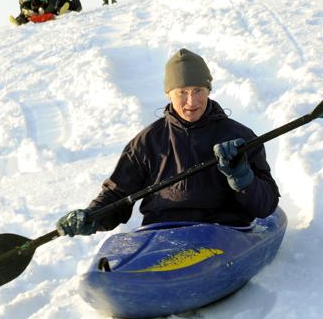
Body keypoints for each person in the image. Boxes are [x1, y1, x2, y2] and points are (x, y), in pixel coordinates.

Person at [55, 48, 281, 236]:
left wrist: (242, 178)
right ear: (168, 94)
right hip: (162, 234)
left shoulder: (238, 136)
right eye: (182, 92)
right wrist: (91, 216)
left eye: (198, 90)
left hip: (224, 231)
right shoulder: (147, 141)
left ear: (209, 90)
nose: (191, 101)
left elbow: (266, 205)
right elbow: (117, 195)